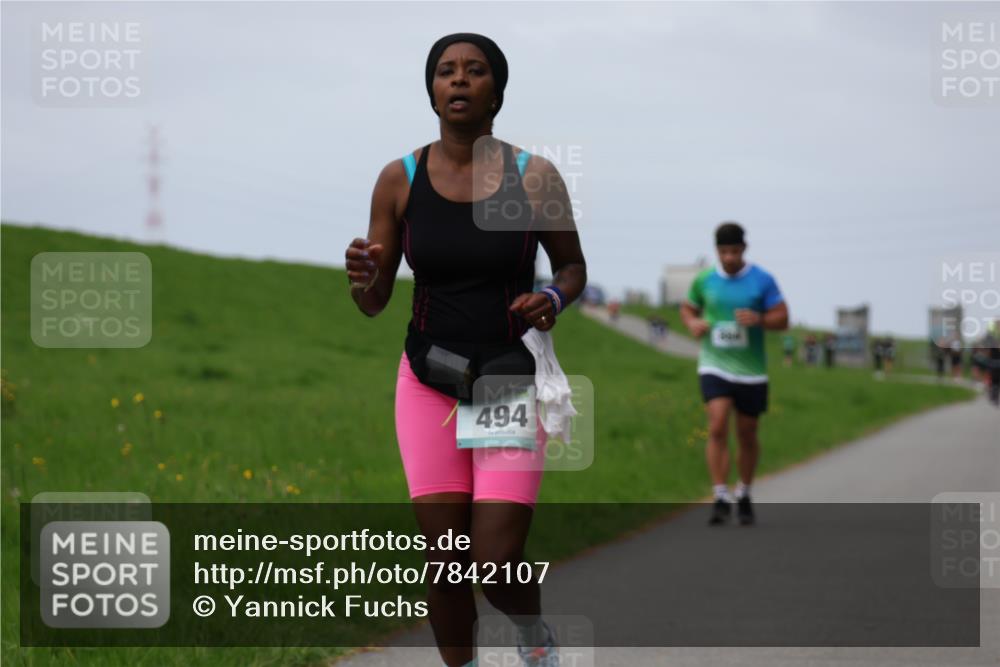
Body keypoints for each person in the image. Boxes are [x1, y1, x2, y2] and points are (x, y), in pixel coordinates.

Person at [345, 33, 587, 667]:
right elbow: (374, 303)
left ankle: (533, 636)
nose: (458, 80)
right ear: (431, 90)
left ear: (496, 93)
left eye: (474, 71)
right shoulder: (398, 180)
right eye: (446, 72)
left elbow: (571, 267)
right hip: (428, 376)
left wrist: (553, 301)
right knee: (444, 563)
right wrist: (364, 278)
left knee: (494, 561)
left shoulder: (532, 175)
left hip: (503, 378)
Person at [681, 222, 789, 526]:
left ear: (744, 249)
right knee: (716, 425)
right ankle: (719, 495)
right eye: (723, 252)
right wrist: (692, 323)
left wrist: (760, 319)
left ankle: (743, 492)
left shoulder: (762, 280)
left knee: (747, 432)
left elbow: (783, 318)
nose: (729, 258)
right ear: (716, 251)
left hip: (752, 370)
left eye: (734, 251)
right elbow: (688, 308)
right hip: (714, 364)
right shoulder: (704, 279)